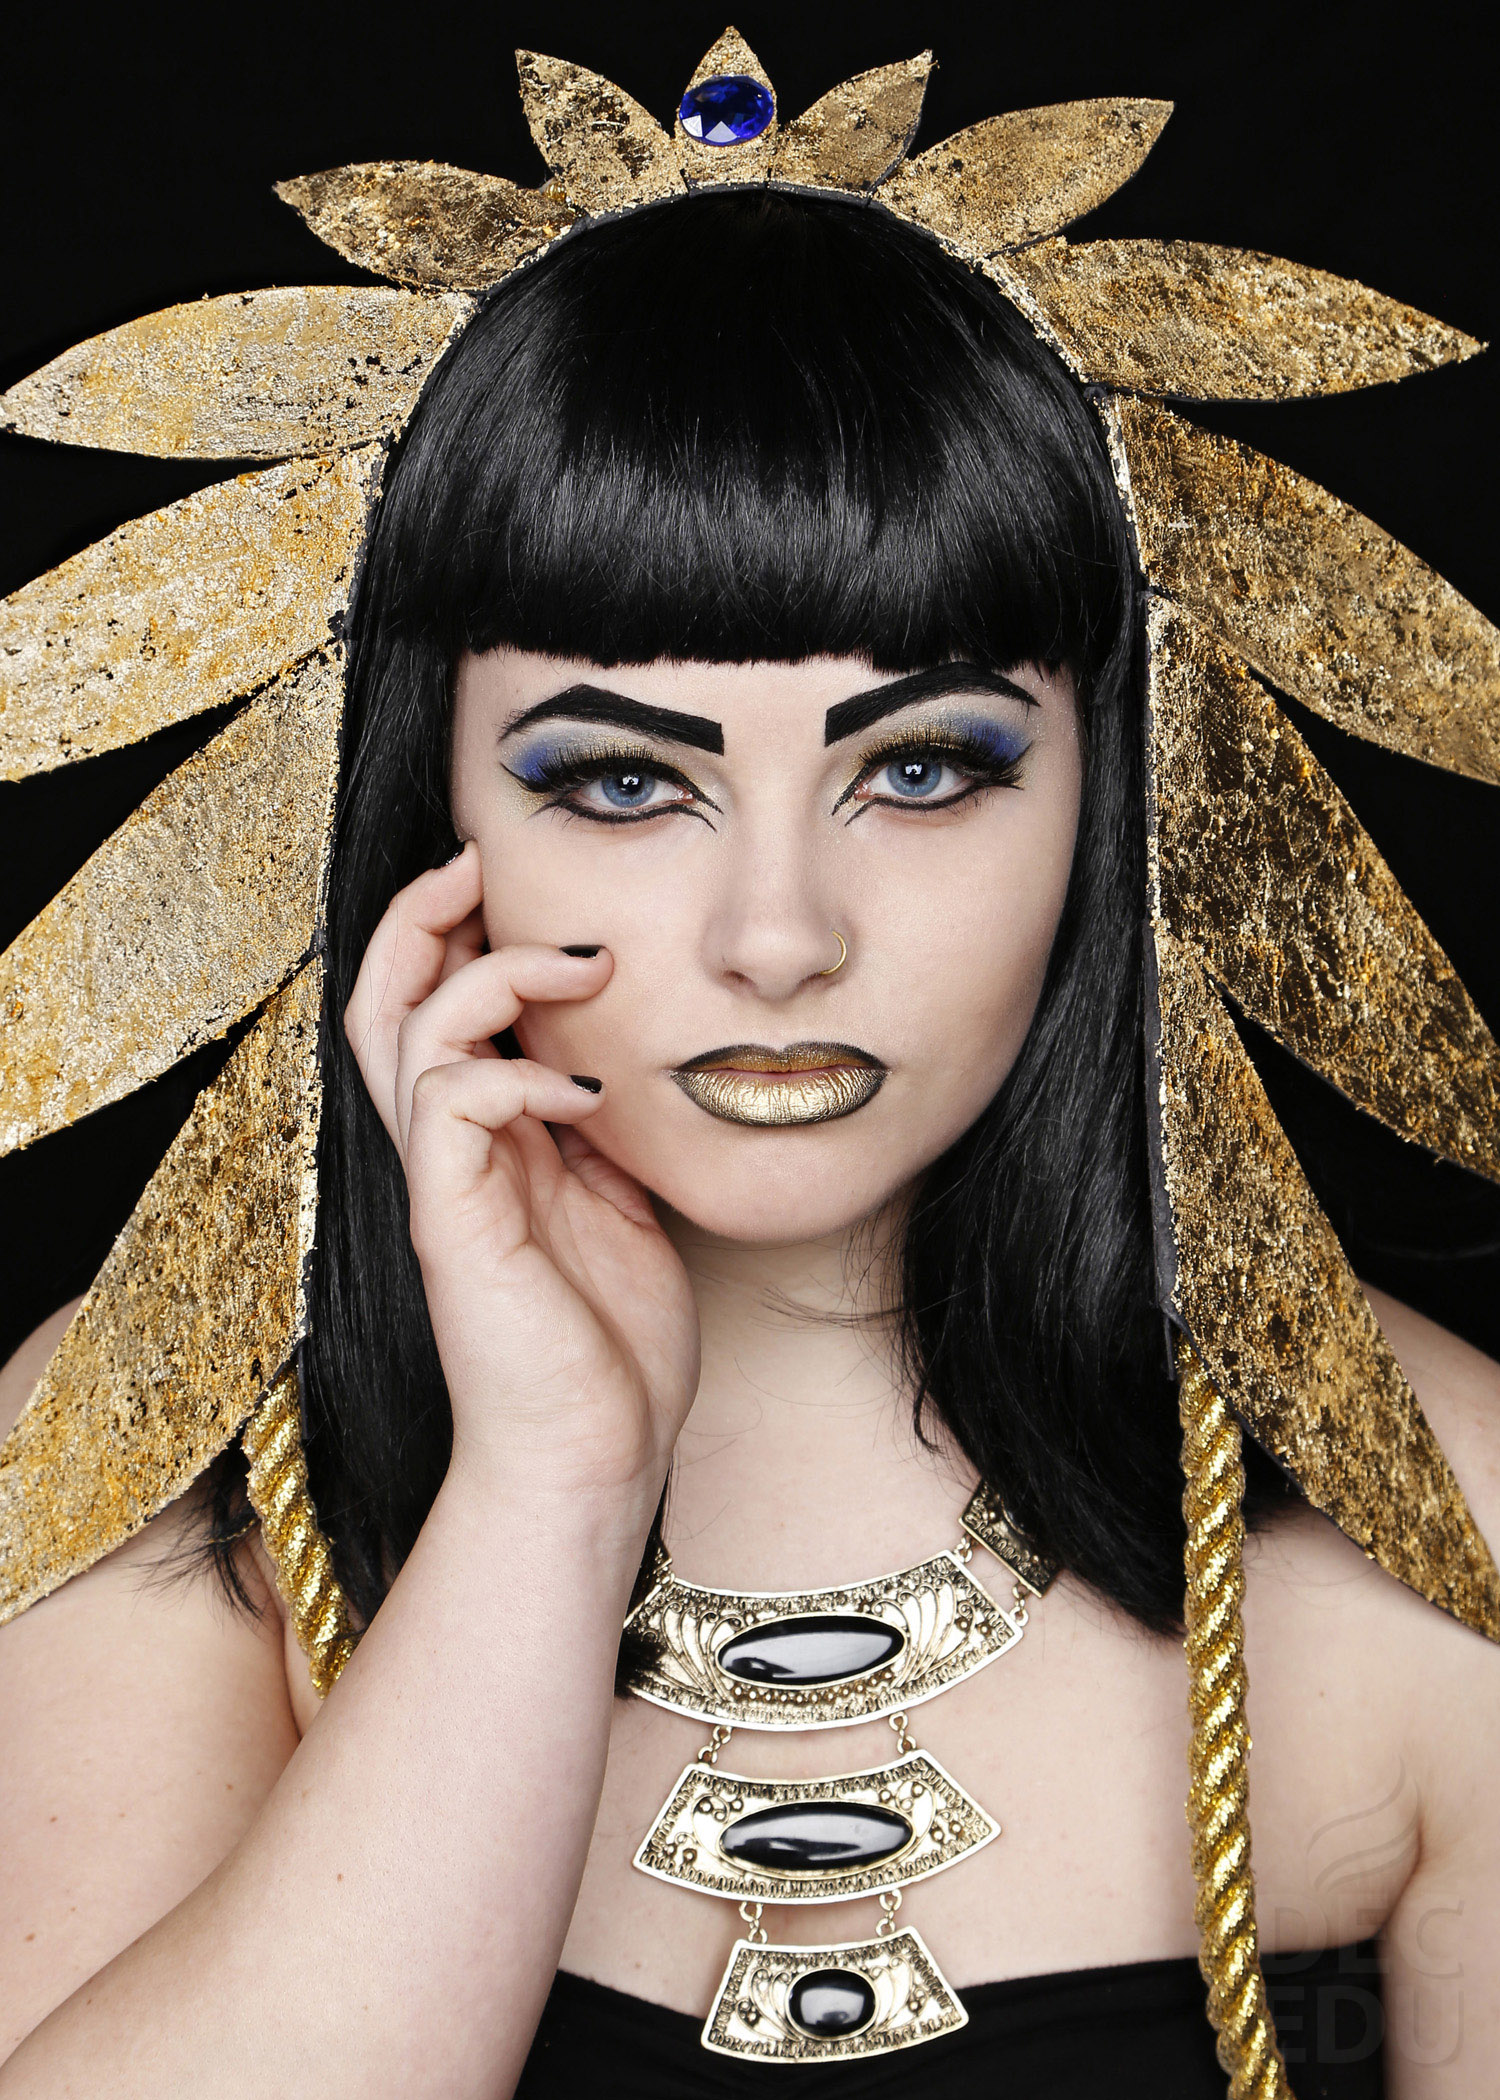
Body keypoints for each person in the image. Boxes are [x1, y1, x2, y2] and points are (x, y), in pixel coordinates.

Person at [1, 45, 1497, 2098]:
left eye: (926, 768)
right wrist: (548, 1490)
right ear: (425, 807)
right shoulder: (141, 1474)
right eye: (623, 781)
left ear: (1121, 798)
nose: (779, 937)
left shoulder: (1441, 1528)